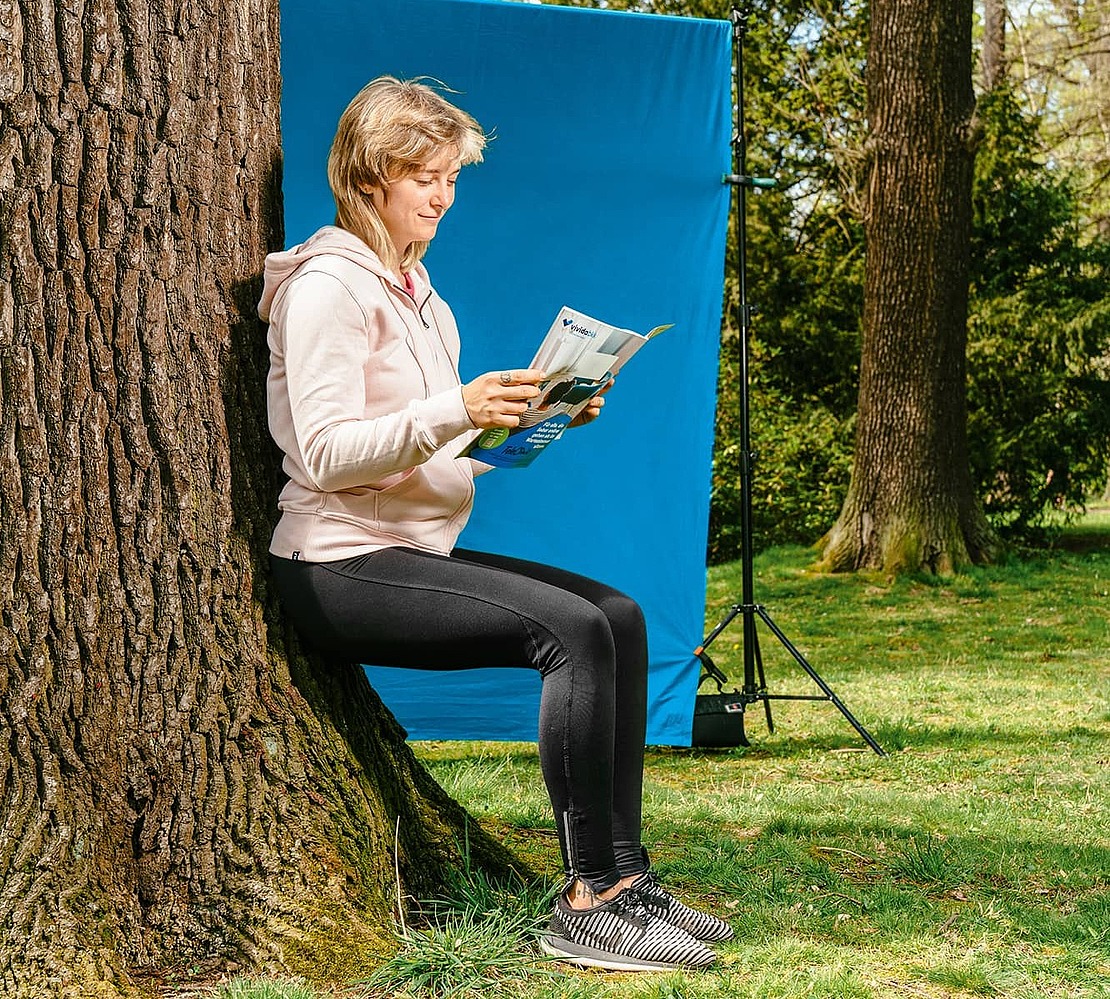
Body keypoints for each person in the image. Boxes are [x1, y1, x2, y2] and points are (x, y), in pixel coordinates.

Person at [259, 76, 733, 972]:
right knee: (572, 632)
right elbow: (324, 452)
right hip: (337, 562)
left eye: (450, 176)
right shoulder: (328, 288)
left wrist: (532, 421)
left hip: (406, 545)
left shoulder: (420, 296)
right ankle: (589, 899)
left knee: (620, 616)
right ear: (369, 180)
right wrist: (456, 407)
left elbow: (431, 450)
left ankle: (627, 879)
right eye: (422, 176)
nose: (441, 195)